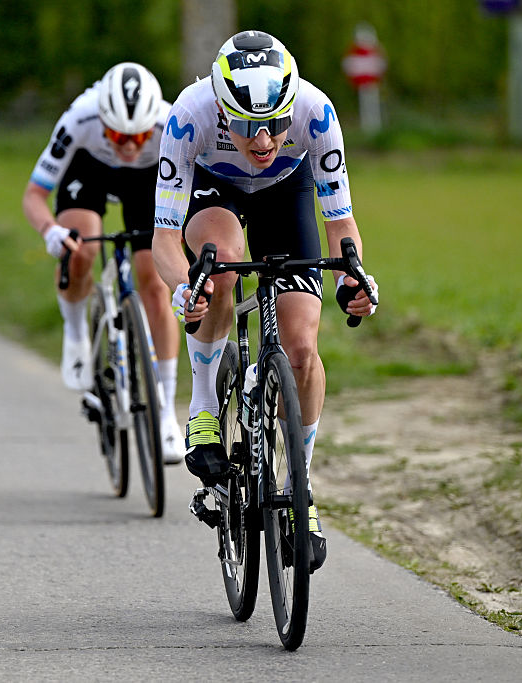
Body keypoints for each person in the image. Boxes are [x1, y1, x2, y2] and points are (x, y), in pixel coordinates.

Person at [152, 31, 378, 572]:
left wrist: (354, 281)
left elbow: (341, 227)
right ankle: (204, 405)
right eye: (250, 127)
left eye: (277, 124)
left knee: (301, 350)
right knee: (220, 263)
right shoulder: (190, 115)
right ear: (223, 110)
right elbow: (163, 239)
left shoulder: (316, 113)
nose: (264, 139)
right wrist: (186, 288)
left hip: (287, 192)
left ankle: (302, 491)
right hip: (215, 191)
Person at [23, 62, 185, 464]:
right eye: (117, 134)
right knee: (83, 248)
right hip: (88, 169)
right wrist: (50, 232)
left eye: (138, 136)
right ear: (103, 120)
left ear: (153, 125)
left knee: (154, 284)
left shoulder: (170, 124)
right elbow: (34, 194)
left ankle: (165, 412)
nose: (128, 145)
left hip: (149, 179)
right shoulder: (79, 118)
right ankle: (76, 332)